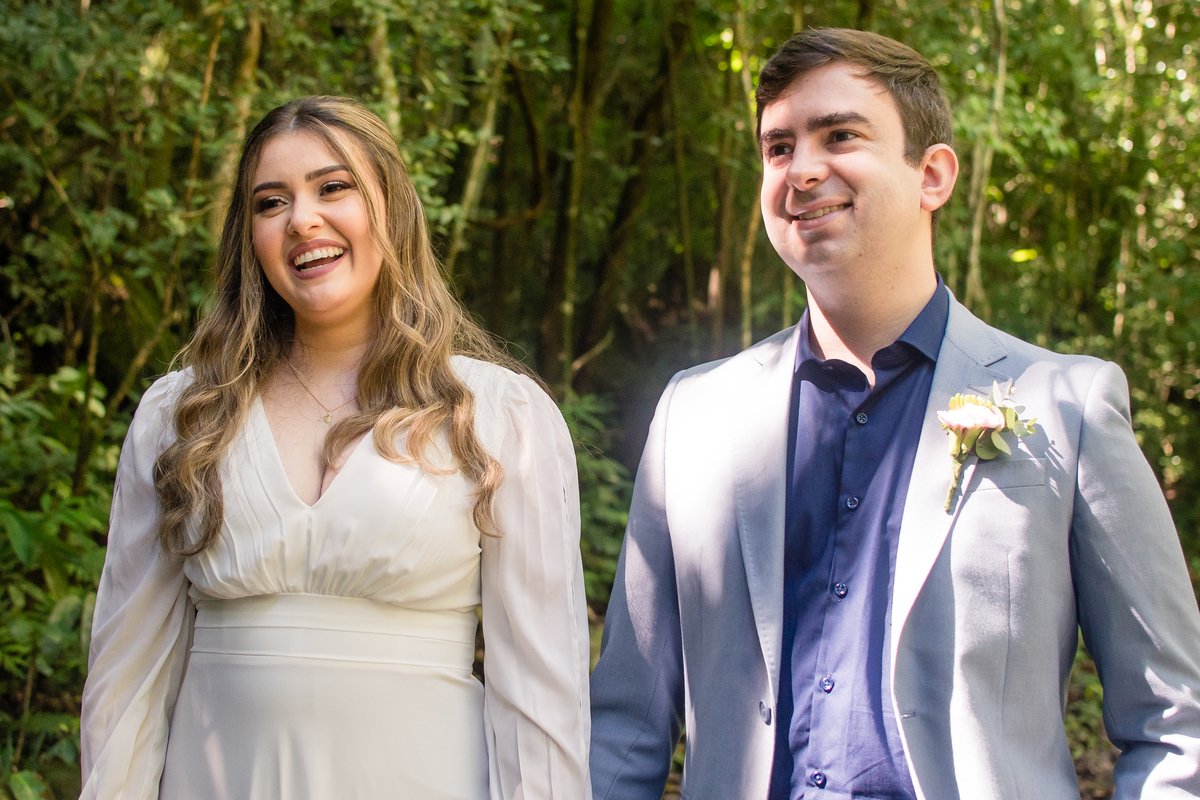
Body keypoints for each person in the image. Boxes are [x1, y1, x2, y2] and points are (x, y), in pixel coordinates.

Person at [589, 27, 1200, 800]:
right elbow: (624, 729)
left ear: (932, 175)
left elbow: (1173, 722)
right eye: (778, 148)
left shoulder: (1066, 406)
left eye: (840, 136)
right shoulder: (694, 416)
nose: (802, 169)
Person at [80, 96, 591, 800]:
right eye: (271, 202)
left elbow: (541, 699)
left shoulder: (498, 417)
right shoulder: (184, 416)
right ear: (249, 237)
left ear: (392, 208)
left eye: (333, 187)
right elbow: (124, 682)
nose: (301, 220)